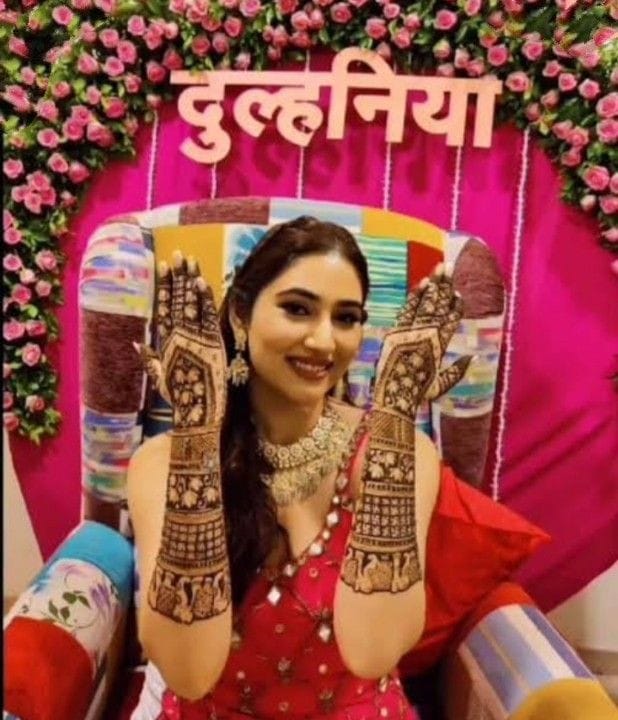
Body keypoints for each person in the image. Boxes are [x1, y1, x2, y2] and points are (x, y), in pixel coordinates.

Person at [128, 216, 470, 720]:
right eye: (297, 309)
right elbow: (188, 673)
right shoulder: (164, 462)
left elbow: (373, 653)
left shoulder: (399, 451)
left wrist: (394, 421)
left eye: (346, 318)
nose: (324, 341)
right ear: (240, 315)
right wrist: (198, 438)